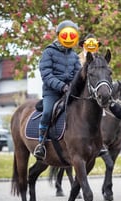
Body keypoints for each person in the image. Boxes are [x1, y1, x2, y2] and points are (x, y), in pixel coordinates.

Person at [33, 20, 81, 160]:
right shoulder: (48, 52)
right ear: (60, 35)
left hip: (70, 91)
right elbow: (46, 74)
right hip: (52, 91)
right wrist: (62, 86)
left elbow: (78, 74)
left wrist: (74, 86)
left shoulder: (74, 55)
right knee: (48, 112)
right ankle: (41, 144)